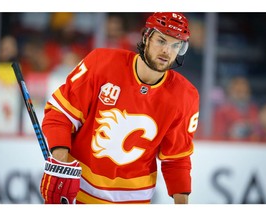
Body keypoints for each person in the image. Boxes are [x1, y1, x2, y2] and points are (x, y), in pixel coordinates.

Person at [40, 12, 200, 204]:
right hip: (78, 192)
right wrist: (61, 164)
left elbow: (176, 160)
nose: (167, 51)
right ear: (146, 36)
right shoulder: (101, 63)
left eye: (176, 45)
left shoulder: (185, 95)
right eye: (161, 41)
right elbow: (60, 116)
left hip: (133, 201)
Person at [212, 76, 259, 141]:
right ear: (230, 91)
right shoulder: (222, 112)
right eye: (238, 91)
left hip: (251, 147)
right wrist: (230, 132)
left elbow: (259, 130)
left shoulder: (253, 109)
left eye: (244, 91)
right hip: (230, 147)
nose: (241, 95)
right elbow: (218, 134)